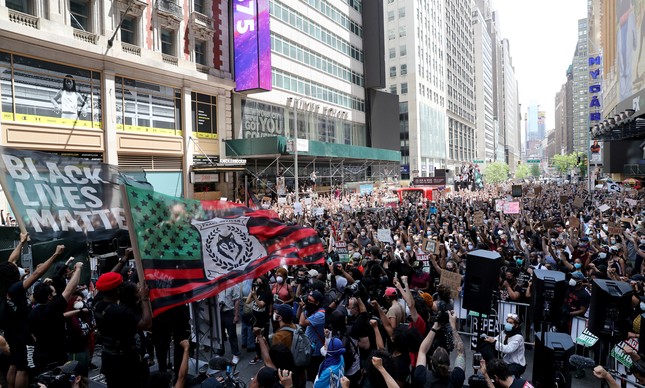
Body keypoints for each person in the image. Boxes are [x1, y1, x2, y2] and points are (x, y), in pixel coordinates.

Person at [2, 238, 63, 388]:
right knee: (25, 368)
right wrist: (55, 254)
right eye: (15, 268)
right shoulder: (15, 289)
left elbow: (11, 259)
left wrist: (22, 243)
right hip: (22, 333)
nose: (17, 267)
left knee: (14, 364)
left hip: (11, 331)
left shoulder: (4, 288)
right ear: (12, 274)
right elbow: (37, 273)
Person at [93, 270, 152, 388]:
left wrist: (123, 260)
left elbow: (105, 282)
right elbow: (146, 324)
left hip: (109, 358)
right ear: (117, 290)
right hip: (124, 361)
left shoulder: (97, 304)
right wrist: (145, 298)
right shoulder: (119, 311)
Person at [28, 262, 83, 375]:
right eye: (54, 293)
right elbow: (69, 290)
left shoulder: (32, 312)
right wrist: (78, 269)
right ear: (49, 297)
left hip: (40, 355)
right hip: (55, 357)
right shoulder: (52, 309)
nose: (56, 294)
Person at [482, 313, 526, 378]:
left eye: (511, 323)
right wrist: (488, 338)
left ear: (516, 326)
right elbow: (496, 339)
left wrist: (494, 341)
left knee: (502, 375)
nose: (508, 324)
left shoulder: (518, 337)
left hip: (517, 364)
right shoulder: (504, 333)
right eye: (507, 322)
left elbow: (508, 349)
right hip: (506, 362)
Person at [298, 290, 326, 382]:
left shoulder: (320, 314)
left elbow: (302, 322)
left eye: (310, 300)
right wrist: (300, 307)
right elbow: (298, 317)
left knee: (314, 376)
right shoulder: (311, 310)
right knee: (309, 375)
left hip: (316, 351)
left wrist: (303, 309)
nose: (307, 302)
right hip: (309, 348)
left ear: (317, 302)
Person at [218, 284, 241, 365]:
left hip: (229, 312)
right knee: (219, 335)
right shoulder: (216, 284)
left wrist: (236, 315)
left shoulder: (233, 284)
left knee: (232, 334)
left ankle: (235, 354)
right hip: (218, 312)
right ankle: (220, 353)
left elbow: (237, 301)